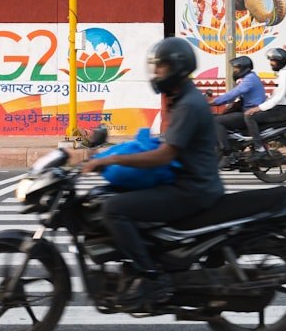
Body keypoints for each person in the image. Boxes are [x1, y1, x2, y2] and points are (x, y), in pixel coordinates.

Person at [80, 36, 224, 311]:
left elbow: (164, 155)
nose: (157, 73)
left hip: (191, 190)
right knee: (118, 194)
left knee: (114, 209)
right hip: (188, 183)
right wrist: (113, 154)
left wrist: (115, 160)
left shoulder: (189, 104)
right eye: (156, 67)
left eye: (162, 67)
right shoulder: (182, 98)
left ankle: (150, 277)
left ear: (178, 68)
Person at [207, 56, 265, 161]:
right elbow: (232, 97)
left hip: (250, 113)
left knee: (215, 121)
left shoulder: (249, 79)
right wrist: (217, 102)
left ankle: (227, 152)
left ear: (244, 68)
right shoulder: (250, 78)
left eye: (236, 68)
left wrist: (213, 102)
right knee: (218, 117)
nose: (234, 71)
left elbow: (233, 93)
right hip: (247, 111)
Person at [243, 47, 286, 161]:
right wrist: (261, 106)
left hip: (282, 111)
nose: (270, 63)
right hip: (279, 109)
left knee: (249, 116)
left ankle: (259, 149)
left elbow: (278, 97)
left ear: (279, 61)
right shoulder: (282, 74)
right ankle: (260, 145)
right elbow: (274, 96)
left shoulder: (284, 75)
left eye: (273, 60)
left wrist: (259, 108)